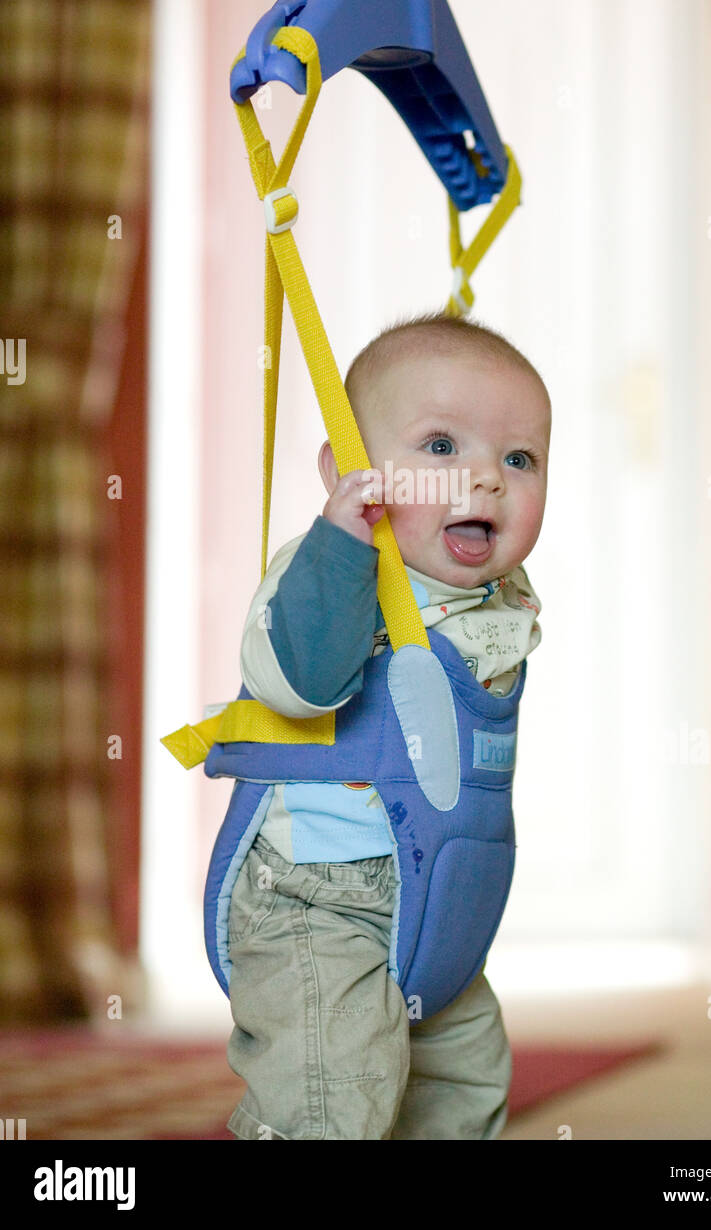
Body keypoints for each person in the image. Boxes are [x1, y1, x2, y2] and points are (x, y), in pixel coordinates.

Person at [224, 311, 551, 1140]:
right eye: (441, 447)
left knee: (464, 1083)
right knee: (335, 1093)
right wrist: (342, 545)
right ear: (351, 471)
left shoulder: (500, 596)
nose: (484, 479)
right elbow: (303, 681)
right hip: (316, 899)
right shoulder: (328, 575)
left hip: (443, 907)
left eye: (519, 458)